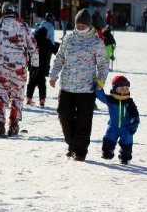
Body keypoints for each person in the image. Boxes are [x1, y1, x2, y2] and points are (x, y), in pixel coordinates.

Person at [49, 8, 109, 161]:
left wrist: (100, 81)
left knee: (84, 119)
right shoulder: (68, 39)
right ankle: (71, 143)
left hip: (87, 88)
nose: (80, 27)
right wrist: (54, 74)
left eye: (83, 25)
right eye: (78, 25)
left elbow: (103, 64)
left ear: (89, 25)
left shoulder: (96, 42)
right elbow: (60, 57)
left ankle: (80, 150)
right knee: (63, 114)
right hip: (67, 85)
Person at [0, 1, 39, 136]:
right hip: (20, 67)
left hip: (2, 66)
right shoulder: (23, 25)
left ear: (3, 12)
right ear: (14, 12)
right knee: (18, 95)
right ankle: (14, 124)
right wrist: (35, 64)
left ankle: (0, 124)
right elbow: (33, 46)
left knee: (1, 94)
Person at [95, 75, 139, 164]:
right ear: (115, 89)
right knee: (108, 140)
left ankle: (125, 158)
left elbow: (135, 116)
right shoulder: (111, 99)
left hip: (126, 128)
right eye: (121, 87)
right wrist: (98, 87)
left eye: (126, 88)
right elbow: (101, 96)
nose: (124, 89)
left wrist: (134, 126)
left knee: (127, 145)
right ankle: (107, 153)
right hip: (113, 127)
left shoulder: (129, 102)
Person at [26, 26, 57, 107]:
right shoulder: (47, 41)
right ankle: (42, 100)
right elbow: (55, 50)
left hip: (33, 65)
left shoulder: (33, 41)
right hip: (43, 66)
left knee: (31, 83)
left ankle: (29, 98)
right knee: (42, 84)